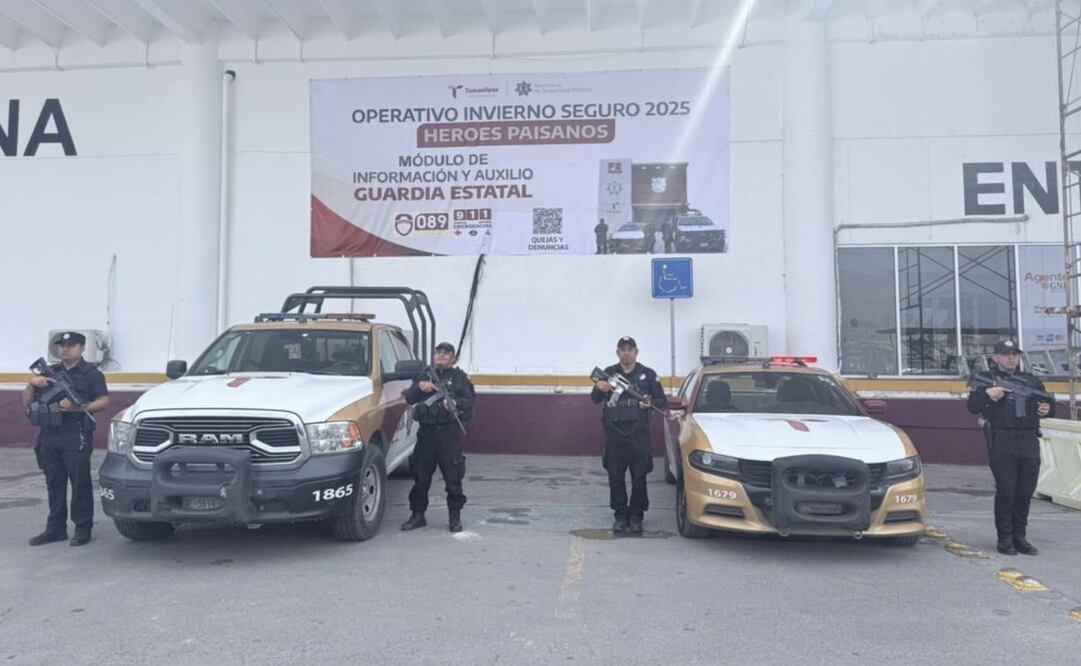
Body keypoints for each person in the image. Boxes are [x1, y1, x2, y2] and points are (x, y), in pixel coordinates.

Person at [966, 339, 1054, 556]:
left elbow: (1049, 406)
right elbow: (972, 406)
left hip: (1028, 439)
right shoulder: (986, 379)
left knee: (1025, 491)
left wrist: (1046, 408)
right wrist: (987, 393)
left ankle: (1020, 537)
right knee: (1007, 490)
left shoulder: (1030, 380)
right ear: (995, 357)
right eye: (1006, 354)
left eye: (1014, 354)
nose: (1011, 358)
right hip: (1002, 439)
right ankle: (1005, 539)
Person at [22, 332, 109, 546]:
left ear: (81, 348)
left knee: (79, 482)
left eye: (71, 345)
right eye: (62, 345)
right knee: (54, 482)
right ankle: (55, 528)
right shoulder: (51, 372)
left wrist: (80, 407)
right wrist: (32, 384)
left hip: (75, 432)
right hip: (49, 433)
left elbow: (104, 401)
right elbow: (26, 403)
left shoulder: (91, 374)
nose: (65, 349)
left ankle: (82, 527)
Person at [590, 336, 667, 534]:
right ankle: (620, 515)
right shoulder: (609, 373)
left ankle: (636, 516)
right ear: (617, 353)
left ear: (636, 352)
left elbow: (661, 401)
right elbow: (595, 399)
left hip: (638, 434)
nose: (626, 352)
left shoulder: (648, 374)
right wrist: (599, 387)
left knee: (639, 477)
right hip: (614, 435)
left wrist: (648, 402)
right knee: (615, 476)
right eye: (622, 349)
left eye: (630, 349)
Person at [401, 342, 475, 533]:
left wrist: (454, 403)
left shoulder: (460, 378)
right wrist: (420, 387)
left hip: (449, 435)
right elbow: (409, 397)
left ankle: (454, 517)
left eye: (446, 353)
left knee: (453, 478)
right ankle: (418, 515)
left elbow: (470, 403)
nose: (441, 356)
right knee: (420, 477)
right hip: (426, 434)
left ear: (453, 358)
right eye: (438, 352)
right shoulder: (425, 376)